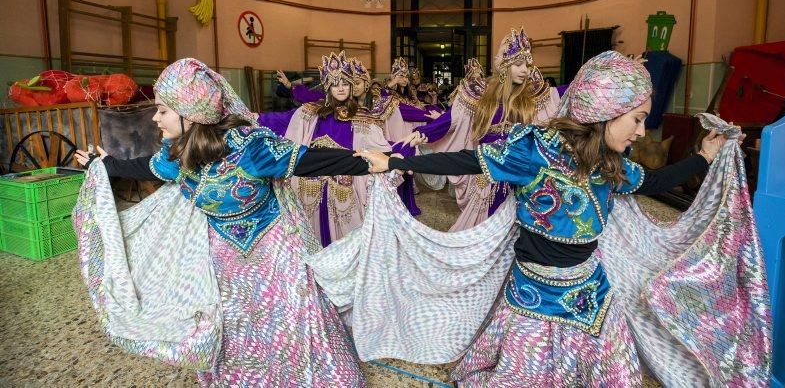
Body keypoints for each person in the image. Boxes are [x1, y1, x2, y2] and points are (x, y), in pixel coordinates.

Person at [354, 50, 770, 387]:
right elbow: (469, 160)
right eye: (637, 120)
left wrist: (704, 156)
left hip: (592, 291)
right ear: (605, 111)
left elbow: (655, 181)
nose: (642, 133)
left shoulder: (612, 164)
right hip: (534, 294)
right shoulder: (535, 151)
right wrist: (394, 161)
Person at [73, 58, 369, 386]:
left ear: (190, 111)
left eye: (162, 110)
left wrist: (373, 163)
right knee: (235, 323)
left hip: (276, 255)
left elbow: (311, 161)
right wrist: (105, 164)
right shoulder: (176, 154)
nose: (156, 118)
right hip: (224, 260)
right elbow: (147, 168)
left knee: (289, 318)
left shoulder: (252, 148)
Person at [401, 28, 561, 231]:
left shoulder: (533, 98)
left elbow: (561, 102)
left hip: (519, 175)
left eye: (528, 65)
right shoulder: (479, 95)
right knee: (482, 225)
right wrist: (422, 133)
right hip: (487, 173)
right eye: (519, 64)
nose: (525, 70)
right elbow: (451, 120)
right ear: (504, 65)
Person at [258, 51, 414, 245]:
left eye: (345, 83)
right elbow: (282, 120)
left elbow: (379, 148)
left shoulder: (362, 117)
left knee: (346, 240)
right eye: (335, 83)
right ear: (327, 86)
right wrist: (254, 118)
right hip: (309, 187)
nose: (340, 88)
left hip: (343, 190)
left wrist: (401, 152)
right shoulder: (311, 112)